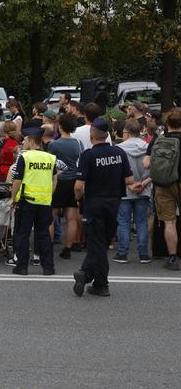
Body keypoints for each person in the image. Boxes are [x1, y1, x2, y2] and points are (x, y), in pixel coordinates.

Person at [73, 120, 134, 297]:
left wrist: (78, 199)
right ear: (107, 135)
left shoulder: (88, 155)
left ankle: (94, 279)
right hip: (114, 203)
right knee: (102, 243)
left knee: (96, 243)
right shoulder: (119, 152)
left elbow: (78, 186)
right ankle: (90, 277)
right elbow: (129, 180)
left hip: (94, 204)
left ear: (92, 136)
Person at [9, 126, 57, 276]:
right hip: (44, 202)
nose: (23, 143)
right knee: (44, 234)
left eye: (24, 140)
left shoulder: (25, 157)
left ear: (30, 140)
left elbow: (17, 180)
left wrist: (12, 198)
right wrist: (48, 194)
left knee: (23, 234)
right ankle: (48, 267)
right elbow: (54, 180)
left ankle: (22, 267)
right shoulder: (50, 157)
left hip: (27, 201)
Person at [143, 108, 181, 270]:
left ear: (167, 123)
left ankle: (172, 257)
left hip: (163, 184)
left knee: (169, 222)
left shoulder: (159, 139)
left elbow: (146, 163)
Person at [114, 119, 152, 264]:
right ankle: (143, 254)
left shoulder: (119, 148)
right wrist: (143, 184)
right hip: (144, 188)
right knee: (141, 221)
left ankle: (122, 253)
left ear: (127, 133)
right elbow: (153, 170)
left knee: (123, 222)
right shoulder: (148, 147)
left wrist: (129, 185)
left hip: (125, 189)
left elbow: (117, 172)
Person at [47, 114, 83, 260]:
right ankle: (68, 247)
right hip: (73, 180)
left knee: (51, 215)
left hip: (58, 181)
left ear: (60, 126)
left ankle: (47, 246)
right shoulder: (77, 143)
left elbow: (50, 163)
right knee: (72, 217)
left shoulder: (53, 144)